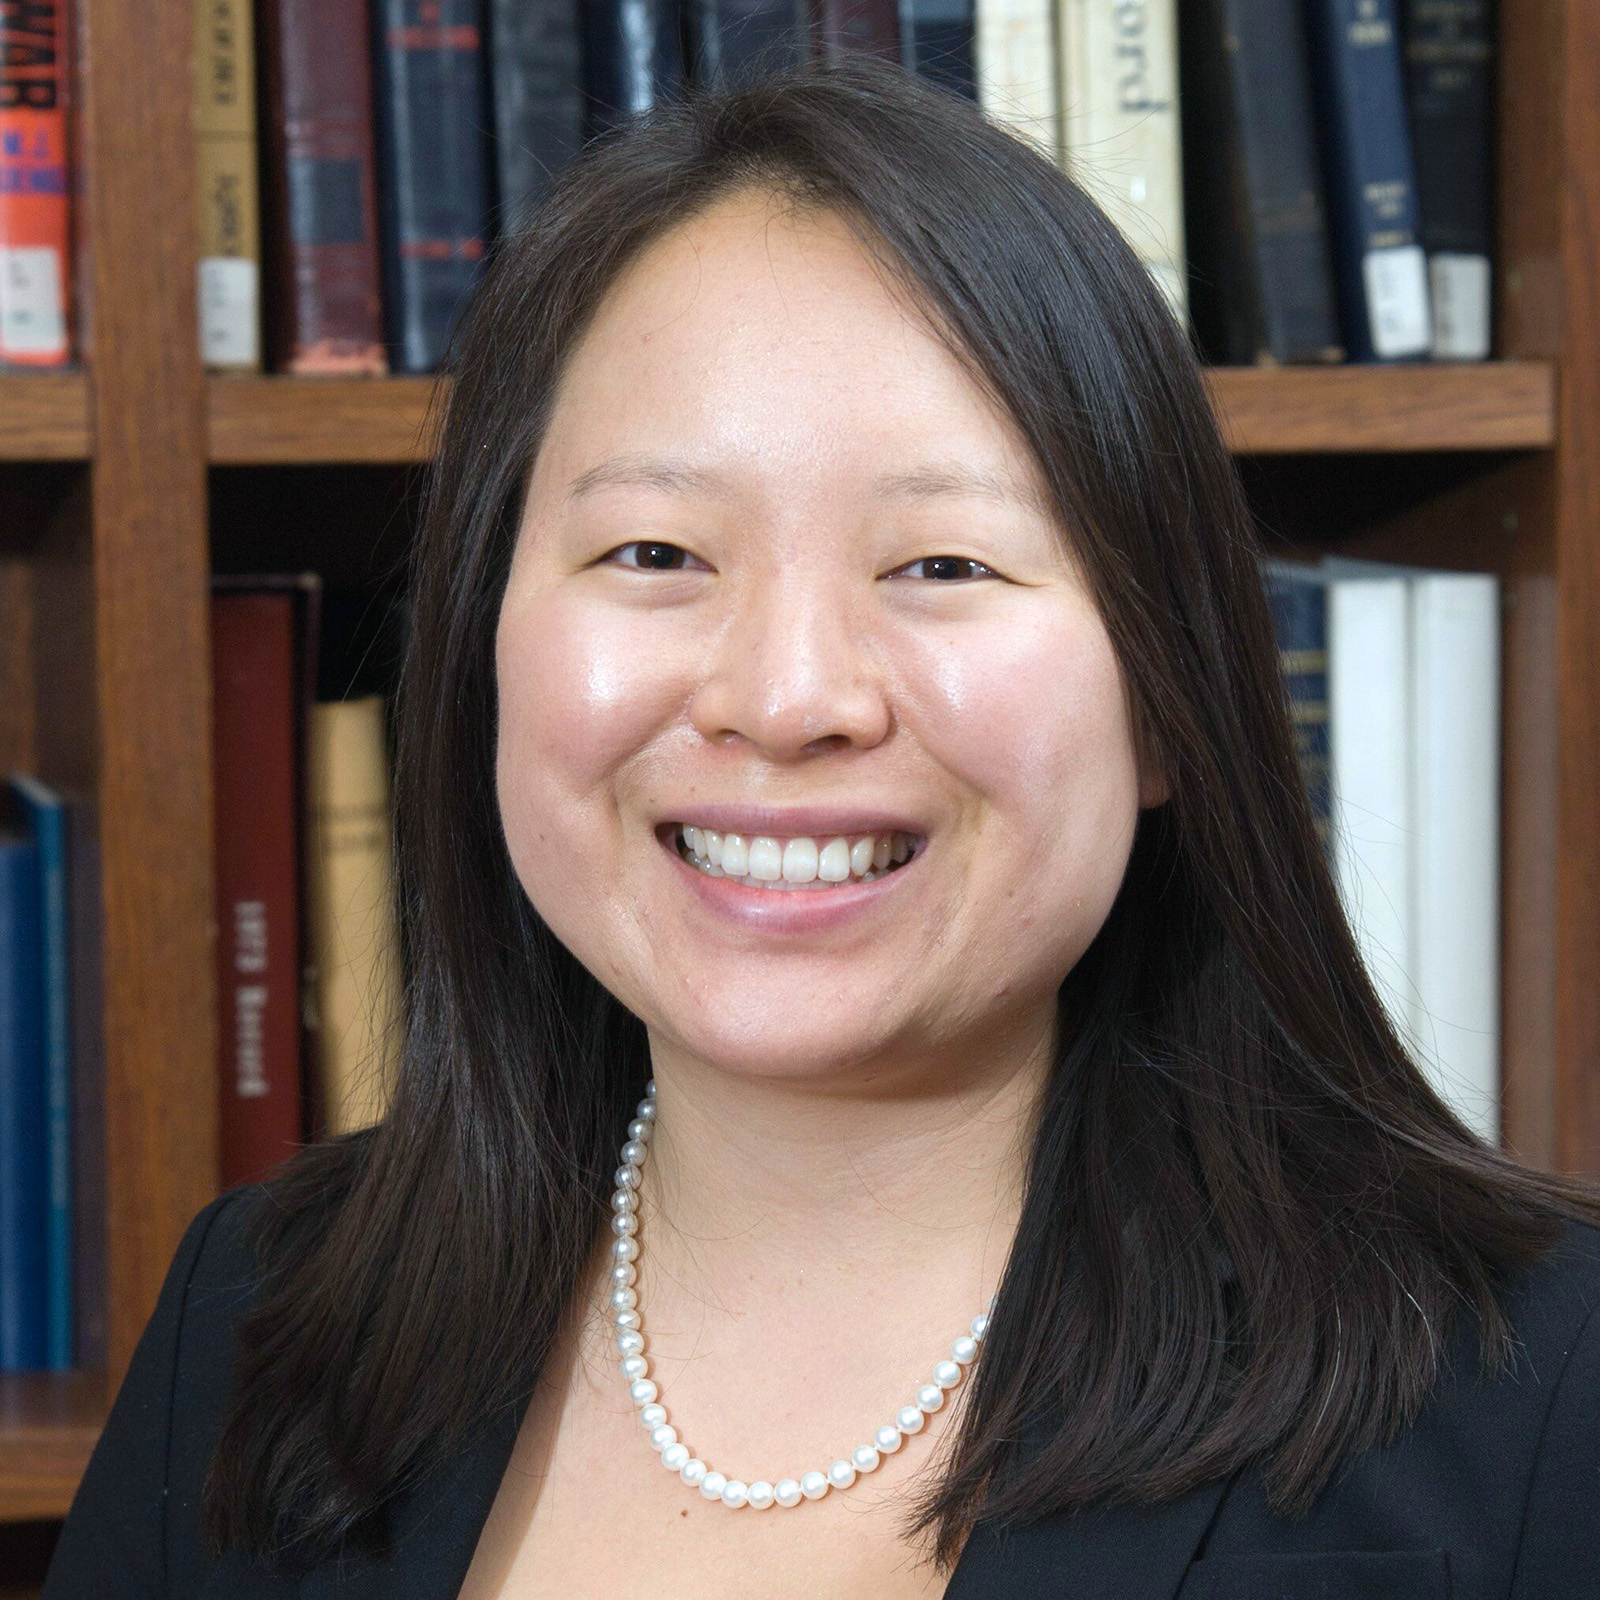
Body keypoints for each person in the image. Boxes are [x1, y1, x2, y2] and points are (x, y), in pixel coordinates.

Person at [43, 51, 1600, 1600]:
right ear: (480, 656)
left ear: (1171, 700)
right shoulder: (254, 1322)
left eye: (941, 565)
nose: (788, 699)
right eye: (655, 550)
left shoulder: (1541, 1403)